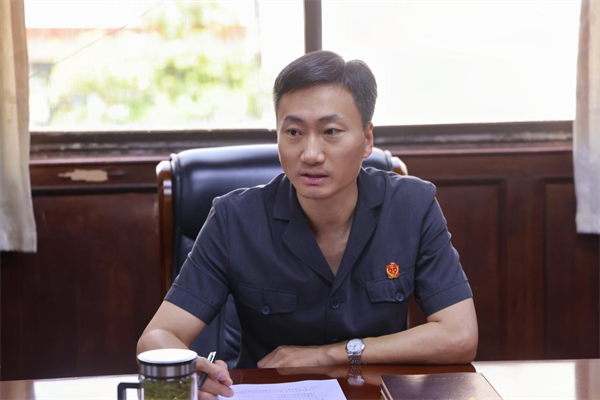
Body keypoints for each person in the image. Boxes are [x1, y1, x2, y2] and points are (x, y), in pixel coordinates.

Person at [137, 50, 478, 400]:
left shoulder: (412, 206)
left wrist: (329, 354)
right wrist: (191, 375)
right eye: (294, 132)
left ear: (367, 140)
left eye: (331, 131)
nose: (311, 154)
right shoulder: (234, 219)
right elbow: (156, 337)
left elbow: (460, 335)